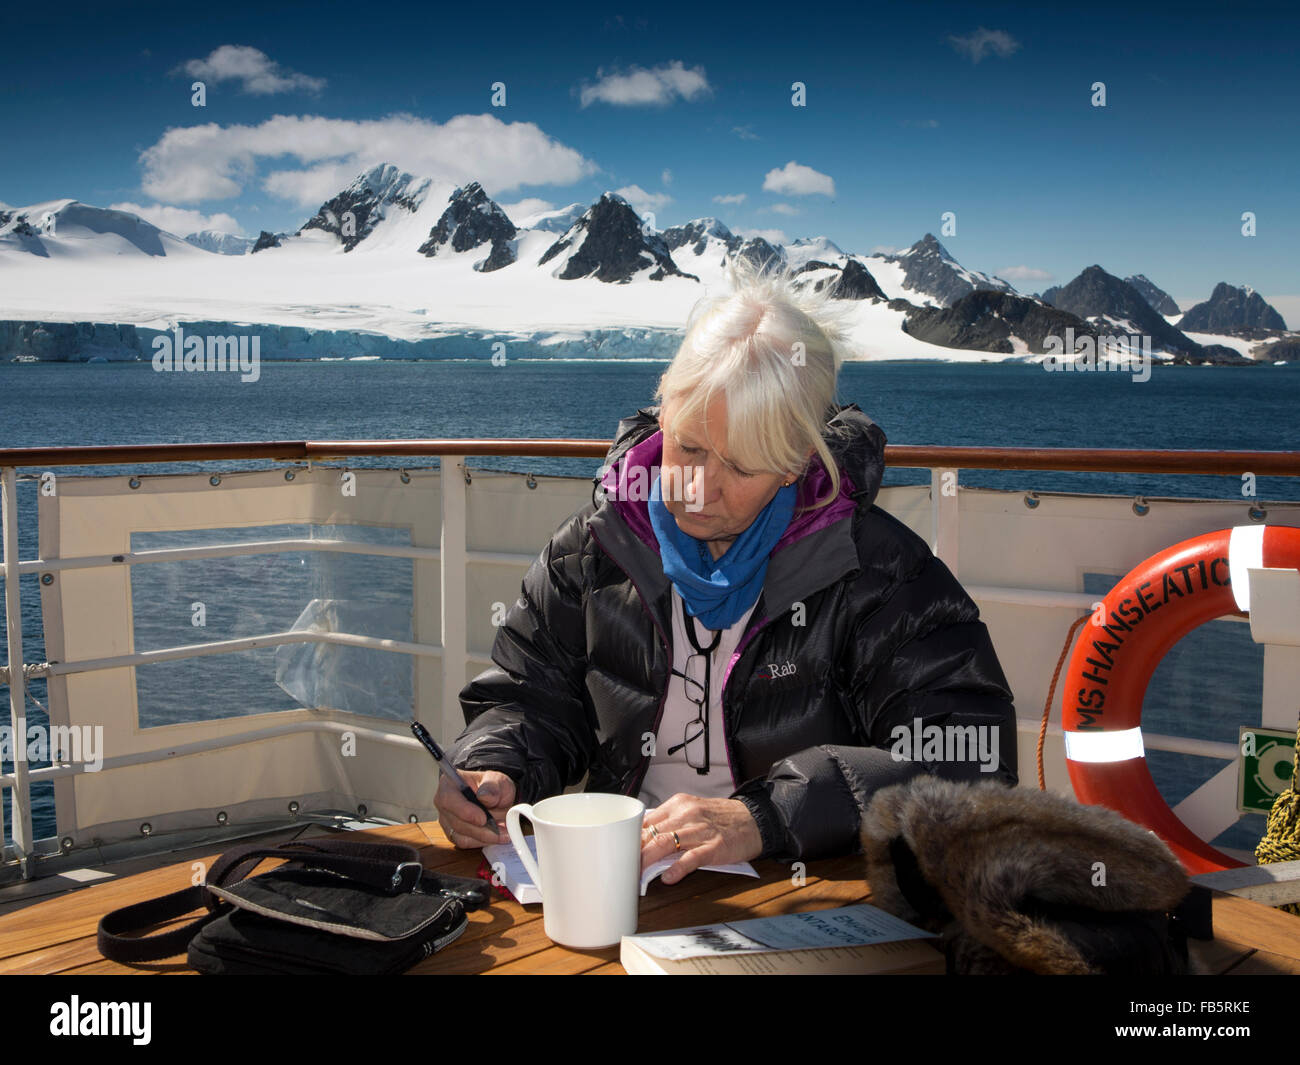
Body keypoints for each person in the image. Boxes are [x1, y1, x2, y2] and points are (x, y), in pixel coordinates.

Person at [435, 258, 1018, 884]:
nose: (698, 490)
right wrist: (495, 766)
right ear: (663, 415)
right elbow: (530, 696)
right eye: (687, 446)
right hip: (625, 878)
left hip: (802, 885)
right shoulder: (595, 545)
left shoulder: (879, 573)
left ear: (797, 463)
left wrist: (765, 818)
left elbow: (969, 762)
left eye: (741, 467)